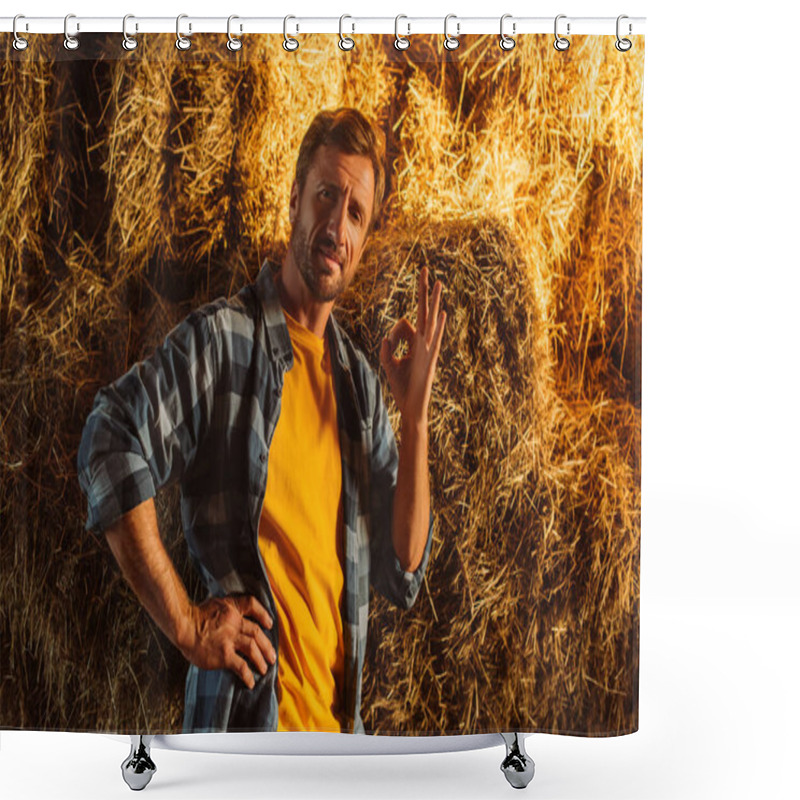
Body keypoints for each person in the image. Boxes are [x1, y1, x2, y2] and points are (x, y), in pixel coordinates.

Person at [77, 107, 447, 734]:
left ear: (364, 240)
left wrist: (413, 418)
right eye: (326, 197)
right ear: (296, 199)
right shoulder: (226, 342)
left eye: (355, 213)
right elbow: (109, 439)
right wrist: (189, 625)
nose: (335, 226)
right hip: (248, 739)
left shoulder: (358, 385)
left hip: (341, 753)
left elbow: (403, 568)